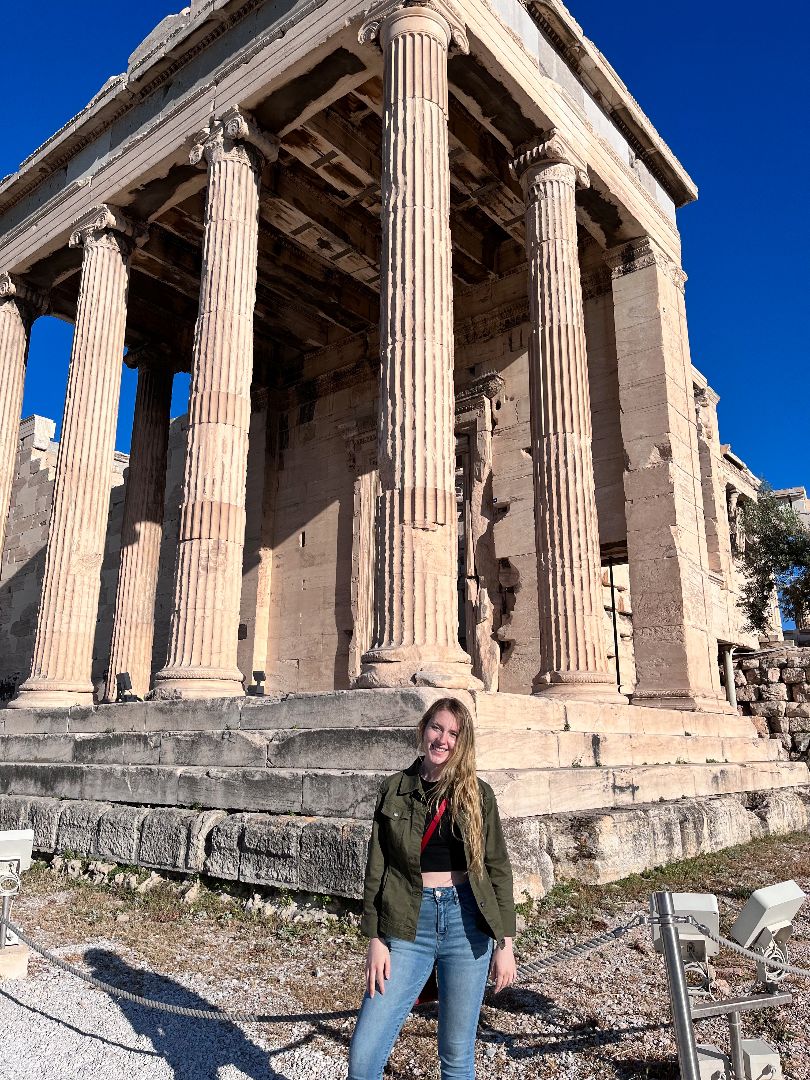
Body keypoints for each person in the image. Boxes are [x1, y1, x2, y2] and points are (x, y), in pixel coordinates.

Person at [348, 696, 517, 1080]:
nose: (443, 739)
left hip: (467, 924)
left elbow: (497, 870)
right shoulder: (394, 789)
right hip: (408, 923)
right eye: (437, 728)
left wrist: (505, 943)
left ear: (463, 741)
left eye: (453, 733)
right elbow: (378, 868)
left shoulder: (478, 794)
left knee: (457, 1057)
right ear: (423, 729)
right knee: (364, 1054)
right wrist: (376, 938)